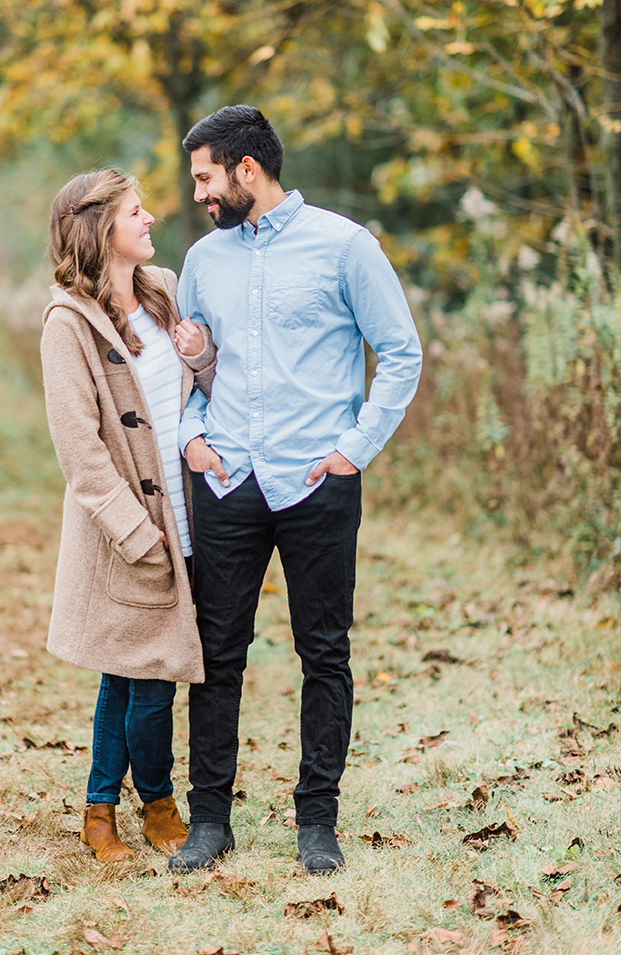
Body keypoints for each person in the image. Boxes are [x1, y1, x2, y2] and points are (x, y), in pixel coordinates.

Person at [168, 105, 423, 876]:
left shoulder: (345, 247)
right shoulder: (203, 261)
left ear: (248, 170)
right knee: (215, 654)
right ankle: (209, 821)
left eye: (207, 178)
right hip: (227, 477)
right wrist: (188, 437)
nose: (200, 195)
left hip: (316, 480)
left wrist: (354, 449)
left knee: (324, 652)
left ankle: (317, 824)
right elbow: (187, 366)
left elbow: (401, 353)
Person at [41, 169, 215, 862]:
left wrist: (199, 358)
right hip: (130, 532)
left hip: (187, 514)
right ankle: (160, 806)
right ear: (99, 230)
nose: (150, 220)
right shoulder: (67, 323)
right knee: (149, 677)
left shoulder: (165, 289)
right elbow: (79, 449)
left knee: (128, 671)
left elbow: (202, 390)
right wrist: (137, 535)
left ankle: (98, 812)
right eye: (135, 212)